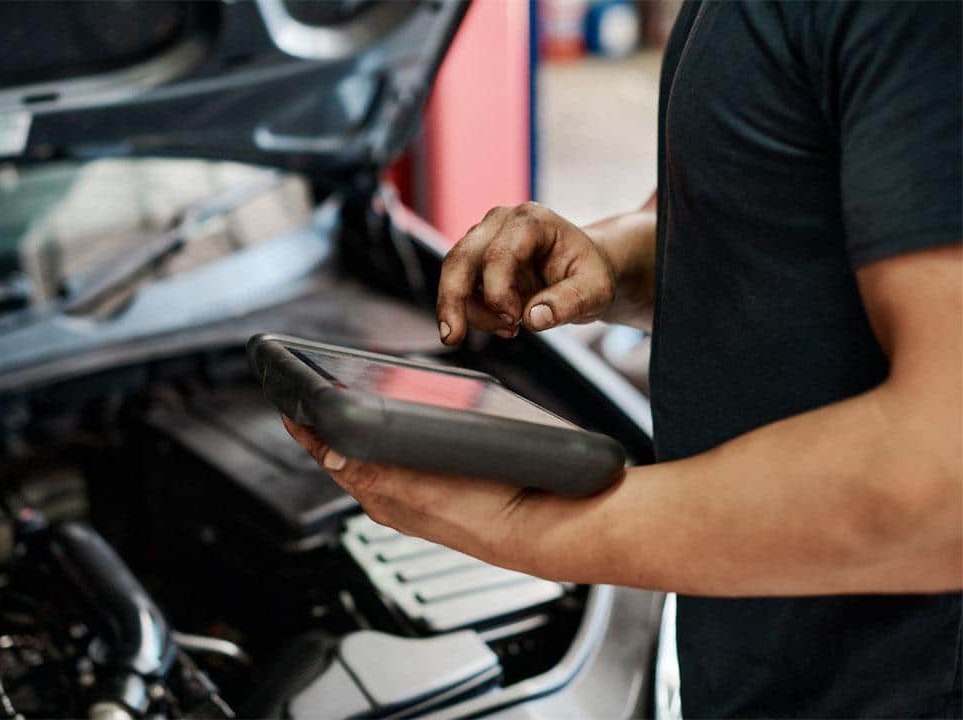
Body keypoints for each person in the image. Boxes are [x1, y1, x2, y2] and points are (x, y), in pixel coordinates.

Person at [284, 2, 962, 715]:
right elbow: (773, 219)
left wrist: (524, 530)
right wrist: (612, 259)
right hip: (749, 664)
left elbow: (942, 478)